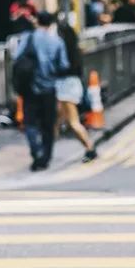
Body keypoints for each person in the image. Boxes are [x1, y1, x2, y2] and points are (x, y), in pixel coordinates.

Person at [14, 11, 69, 171]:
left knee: (30, 122)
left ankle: (36, 151)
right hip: (49, 88)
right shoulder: (57, 41)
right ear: (51, 23)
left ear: (37, 21)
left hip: (30, 88)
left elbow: (17, 58)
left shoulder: (28, 38)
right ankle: (45, 157)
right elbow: (64, 65)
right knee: (48, 124)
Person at [56, 21, 98, 163]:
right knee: (57, 120)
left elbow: (63, 68)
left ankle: (90, 148)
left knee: (73, 123)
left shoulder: (64, 51)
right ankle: (45, 152)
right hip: (70, 85)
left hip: (67, 87)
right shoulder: (74, 49)